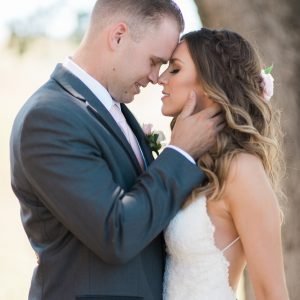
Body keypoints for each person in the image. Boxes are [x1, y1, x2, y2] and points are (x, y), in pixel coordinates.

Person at [9, 2, 224, 300]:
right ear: (118, 36)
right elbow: (117, 233)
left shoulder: (114, 110)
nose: (155, 77)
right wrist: (180, 153)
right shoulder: (48, 118)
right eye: (153, 61)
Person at [159, 28, 289, 300]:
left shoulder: (241, 169)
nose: (161, 79)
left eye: (174, 70)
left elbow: (270, 293)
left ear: (209, 82)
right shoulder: (187, 162)